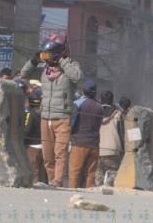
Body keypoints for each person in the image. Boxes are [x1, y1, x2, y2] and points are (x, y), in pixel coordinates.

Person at [18, 39, 82, 187]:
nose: (47, 58)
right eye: (45, 55)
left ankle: (57, 181)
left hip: (62, 117)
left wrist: (62, 61)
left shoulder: (70, 65)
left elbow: (77, 76)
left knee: (60, 152)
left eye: (50, 54)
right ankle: (51, 180)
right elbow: (23, 74)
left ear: (59, 53)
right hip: (45, 117)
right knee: (47, 155)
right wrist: (34, 60)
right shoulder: (45, 70)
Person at [68, 79, 102, 189]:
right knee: (90, 173)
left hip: (79, 142)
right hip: (94, 143)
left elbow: (73, 123)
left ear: (83, 91)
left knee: (74, 171)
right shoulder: (99, 106)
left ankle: (72, 192)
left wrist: (70, 134)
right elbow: (99, 124)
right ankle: (89, 193)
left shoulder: (78, 103)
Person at [97, 91, 125, 187]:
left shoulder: (95, 112)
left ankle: (97, 190)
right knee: (113, 172)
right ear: (112, 100)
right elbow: (122, 132)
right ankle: (108, 188)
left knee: (98, 174)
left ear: (100, 99)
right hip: (113, 148)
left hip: (97, 148)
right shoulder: (118, 114)